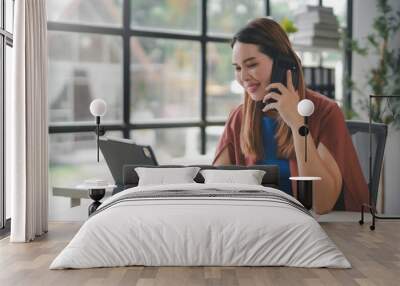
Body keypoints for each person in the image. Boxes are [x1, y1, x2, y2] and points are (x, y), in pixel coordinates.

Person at [212, 17, 368, 214]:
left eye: (251, 64)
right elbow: (213, 188)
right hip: (257, 225)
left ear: (281, 65)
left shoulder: (326, 112)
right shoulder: (240, 117)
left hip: (316, 230)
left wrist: (297, 124)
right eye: (237, 67)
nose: (243, 77)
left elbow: (321, 203)